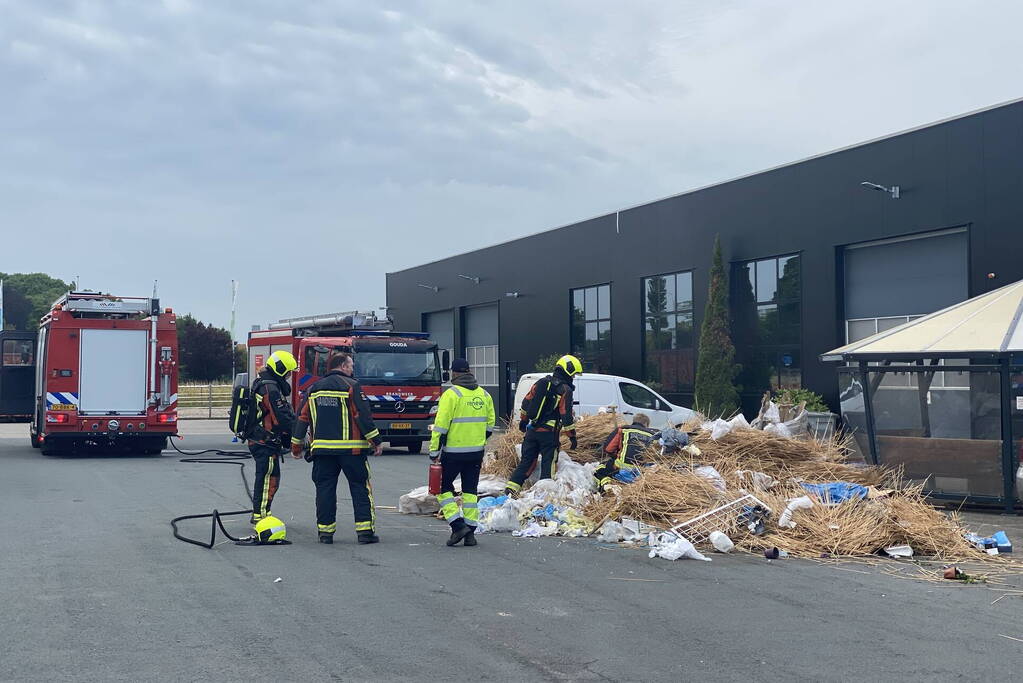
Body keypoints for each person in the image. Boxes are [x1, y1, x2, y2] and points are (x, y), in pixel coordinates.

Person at [291, 352, 383, 545]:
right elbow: (362, 415)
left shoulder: (313, 389)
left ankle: (325, 533)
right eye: (350, 365)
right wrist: (376, 441)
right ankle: (365, 532)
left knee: (324, 490)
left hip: (323, 452)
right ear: (342, 366)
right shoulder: (352, 386)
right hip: (352, 451)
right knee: (360, 488)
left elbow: (302, 418)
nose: (352, 369)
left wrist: (296, 446)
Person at [429, 358, 496, 547]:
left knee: (442, 488)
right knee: (470, 492)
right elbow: (490, 425)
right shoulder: (485, 395)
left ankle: (457, 526)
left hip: (453, 453)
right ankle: (470, 534)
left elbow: (440, 427)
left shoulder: (451, 395)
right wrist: (478, 441)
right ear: (469, 372)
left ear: (454, 373)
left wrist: (434, 451)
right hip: (476, 452)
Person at [504, 354, 582, 495]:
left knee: (527, 462)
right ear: (568, 370)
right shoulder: (565, 390)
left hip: (532, 431)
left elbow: (526, 402)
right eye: (574, 374)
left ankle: (511, 489)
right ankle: (544, 496)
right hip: (549, 435)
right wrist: (572, 436)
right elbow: (566, 415)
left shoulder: (541, 382)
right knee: (548, 465)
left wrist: (523, 420)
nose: (574, 377)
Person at [248, 350, 298, 526]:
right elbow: (281, 418)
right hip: (265, 441)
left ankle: (263, 512)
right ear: (281, 370)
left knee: (269, 477)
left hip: (262, 440)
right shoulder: (270, 388)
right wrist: (296, 436)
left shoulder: (263, 383)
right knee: (268, 478)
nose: (289, 376)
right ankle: (260, 516)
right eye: (288, 373)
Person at [592, 413, 659, 492]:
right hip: (641, 472)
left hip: (619, 468)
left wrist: (616, 455)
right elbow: (655, 456)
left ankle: (606, 485)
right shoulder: (653, 436)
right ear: (646, 424)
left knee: (600, 469)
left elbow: (608, 449)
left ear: (633, 421)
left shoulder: (623, 430)